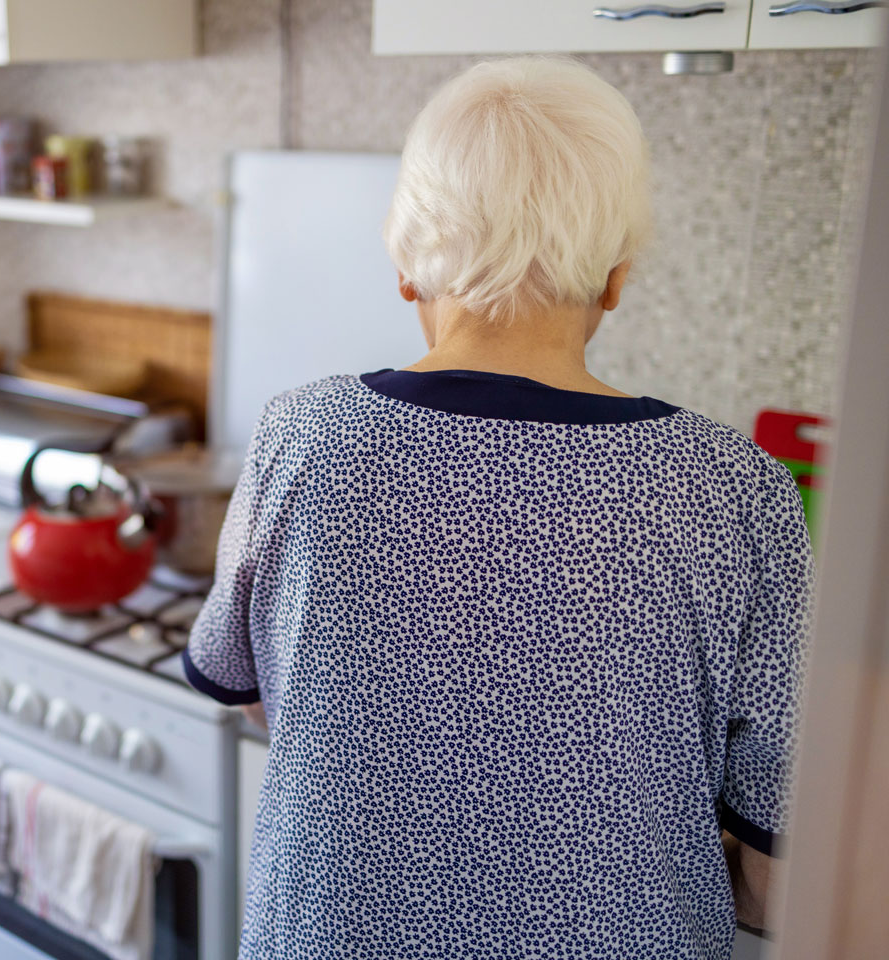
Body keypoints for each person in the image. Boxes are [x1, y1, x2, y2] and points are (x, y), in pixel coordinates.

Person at [184, 57, 813, 960]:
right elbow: (779, 849)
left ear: (406, 266)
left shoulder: (298, 439)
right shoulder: (734, 487)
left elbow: (251, 691)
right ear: (615, 278)